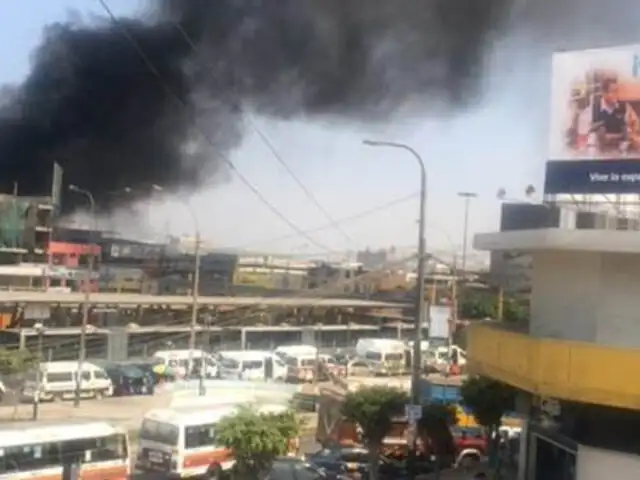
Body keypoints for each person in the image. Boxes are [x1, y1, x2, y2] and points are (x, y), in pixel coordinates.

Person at [594, 77, 640, 152]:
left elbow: (635, 129)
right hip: (599, 153)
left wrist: (631, 137)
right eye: (613, 91)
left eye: (617, 91)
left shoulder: (625, 107)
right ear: (604, 93)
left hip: (621, 152)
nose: (616, 95)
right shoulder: (594, 109)